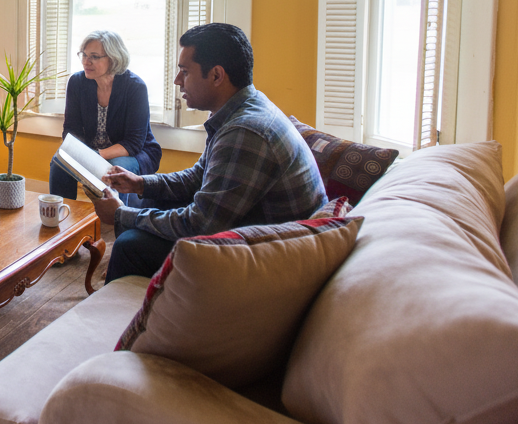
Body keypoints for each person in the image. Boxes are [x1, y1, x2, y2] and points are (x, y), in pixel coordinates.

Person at [95, 23, 325, 283]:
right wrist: (140, 183)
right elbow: (198, 178)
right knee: (149, 199)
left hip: (269, 261)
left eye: (184, 71)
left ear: (216, 75)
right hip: (247, 227)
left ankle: (128, 315)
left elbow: (202, 224)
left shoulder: (245, 132)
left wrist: (120, 215)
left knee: (129, 245)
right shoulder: (242, 109)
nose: (177, 80)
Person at [48, 30, 163, 202]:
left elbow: (133, 143)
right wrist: (79, 154)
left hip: (133, 153)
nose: (86, 61)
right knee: (59, 163)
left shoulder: (135, 87)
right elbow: (71, 129)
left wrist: (94, 156)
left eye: (94, 56)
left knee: (118, 169)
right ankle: (61, 219)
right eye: (84, 55)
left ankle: (122, 222)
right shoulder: (77, 82)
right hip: (91, 151)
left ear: (113, 59)